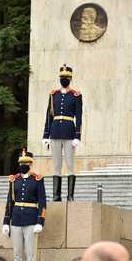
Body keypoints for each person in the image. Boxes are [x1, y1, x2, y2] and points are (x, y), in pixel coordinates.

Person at [2, 149, 46, 261]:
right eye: (21, 163)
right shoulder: (14, 180)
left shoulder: (37, 179)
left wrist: (40, 221)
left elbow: (42, 201)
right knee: (17, 252)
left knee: (31, 252)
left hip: (31, 220)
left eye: (26, 163)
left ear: (30, 164)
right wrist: (6, 222)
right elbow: (10, 201)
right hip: (16, 219)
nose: (23, 165)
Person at [43, 64, 83, 201]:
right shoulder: (53, 95)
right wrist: (45, 135)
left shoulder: (76, 95)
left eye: (66, 77)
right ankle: (56, 196)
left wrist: (77, 135)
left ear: (70, 79)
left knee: (70, 165)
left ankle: (70, 196)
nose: (64, 79)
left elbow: (79, 116)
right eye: (62, 77)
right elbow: (49, 115)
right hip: (55, 132)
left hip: (69, 133)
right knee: (56, 165)